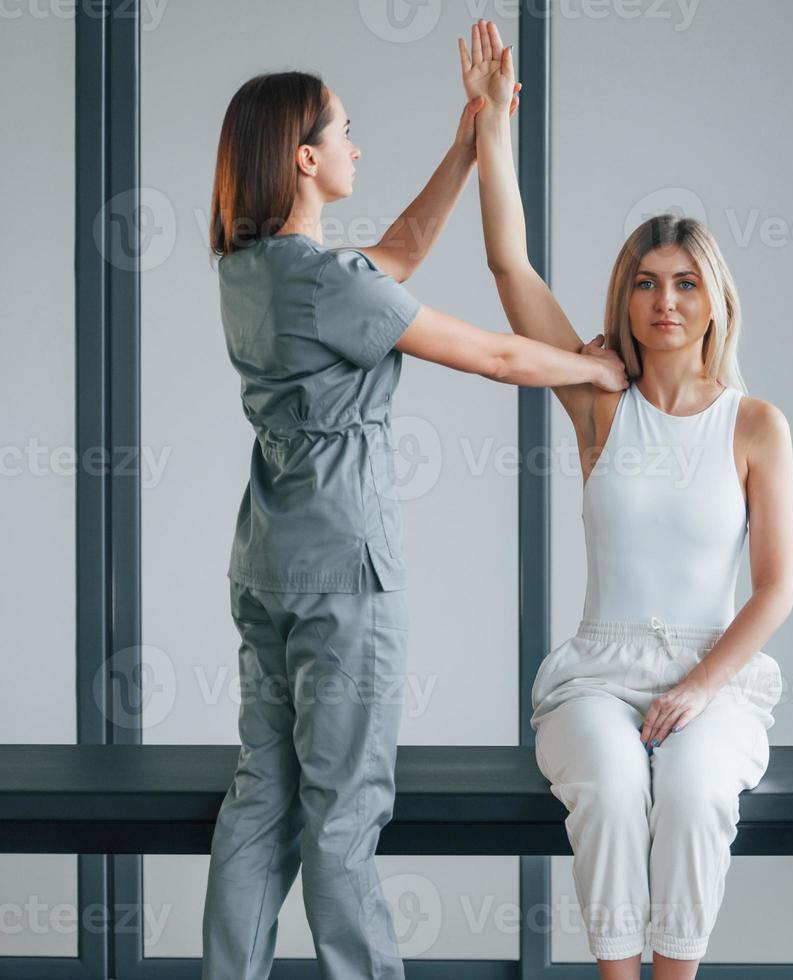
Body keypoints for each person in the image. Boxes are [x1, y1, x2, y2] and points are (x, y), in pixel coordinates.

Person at [200, 69, 627, 980]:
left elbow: (395, 250)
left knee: (260, 801)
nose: (359, 146)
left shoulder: (251, 270)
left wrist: (470, 143)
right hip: (346, 575)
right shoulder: (330, 284)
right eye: (345, 133)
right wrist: (592, 371)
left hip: (267, 562)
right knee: (344, 815)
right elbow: (499, 358)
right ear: (306, 158)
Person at [461, 21, 793, 978]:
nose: (666, 302)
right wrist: (491, 127)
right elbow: (509, 269)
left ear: (714, 300)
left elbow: (774, 588)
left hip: (713, 670)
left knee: (692, 793)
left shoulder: (756, 424)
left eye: (686, 283)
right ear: (626, 300)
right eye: (647, 285)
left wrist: (699, 688)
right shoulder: (597, 400)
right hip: (598, 674)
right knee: (611, 787)